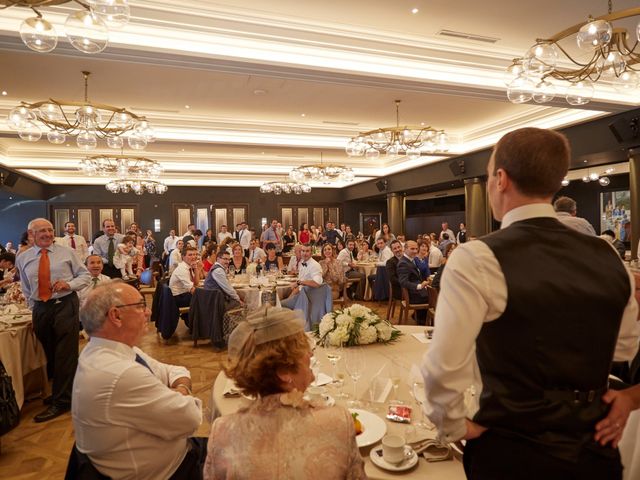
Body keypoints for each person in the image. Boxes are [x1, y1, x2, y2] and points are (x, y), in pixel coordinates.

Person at [422, 127, 640, 480]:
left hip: (511, 450)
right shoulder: (607, 253)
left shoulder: (477, 258)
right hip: (594, 449)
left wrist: (453, 424)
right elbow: (624, 346)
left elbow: (442, 369)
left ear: (501, 179)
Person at [203, 307, 365, 479]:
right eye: (304, 348)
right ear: (284, 372)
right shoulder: (338, 423)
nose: (310, 354)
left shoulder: (221, 432)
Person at [73, 282, 206, 479]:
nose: (148, 311)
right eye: (140, 305)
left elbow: (172, 370)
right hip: (169, 469)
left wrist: (179, 389)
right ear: (116, 315)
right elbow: (191, 418)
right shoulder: (119, 372)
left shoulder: (111, 350)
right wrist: (182, 391)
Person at [16, 217, 91, 422]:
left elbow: (85, 277)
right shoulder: (23, 258)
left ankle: (62, 401)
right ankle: (64, 392)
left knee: (65, 353)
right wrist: (33, 310)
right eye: (42, 231)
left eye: (50, 230)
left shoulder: (67, 252)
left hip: (65, 304)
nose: (48, 234)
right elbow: (25, 287)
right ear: (32, 234)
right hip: (40, 308)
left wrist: (68, 285)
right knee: (49, 351)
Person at [397, 240, 429, 325]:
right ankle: (425, 323)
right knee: (435, 298)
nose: (415, 251)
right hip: (413, 295)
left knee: (433, 293)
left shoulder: (410, 260)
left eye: (416, 249)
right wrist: (419, 286)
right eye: (412, 249)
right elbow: (403, 282)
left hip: (416, 292)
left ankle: (419, 317)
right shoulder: (403, 263)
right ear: (405, 249)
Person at [169, 245, 201, 309]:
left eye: (195, 254)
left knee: (204, 298)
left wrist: (196, 269)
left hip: (184, 294)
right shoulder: (182, 269)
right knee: (205, 300)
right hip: (178, 298)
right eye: (190, 255)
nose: (194, 257)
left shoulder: (188, 266)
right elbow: (192, 290)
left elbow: (196, 283)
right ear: (183, 257)